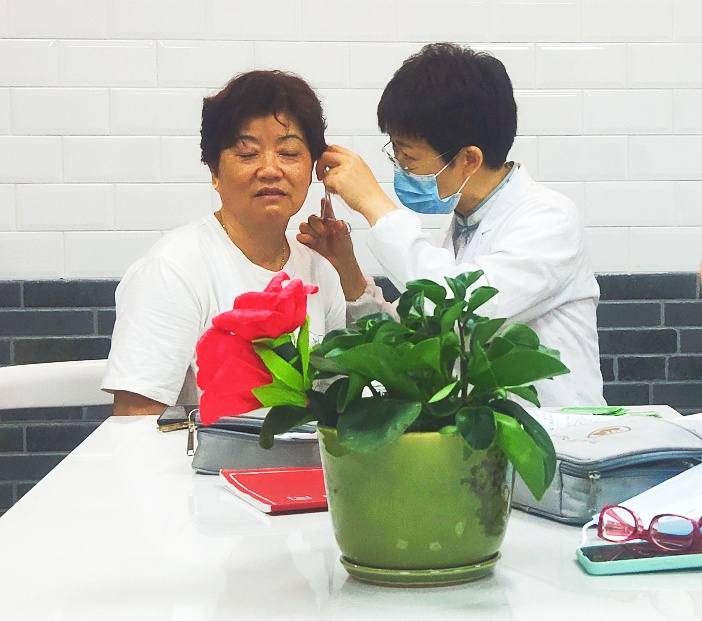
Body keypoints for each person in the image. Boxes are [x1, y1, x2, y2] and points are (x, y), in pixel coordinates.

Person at [299, 43, 605, 407]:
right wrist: (348, 271)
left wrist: (373, 203)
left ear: (469, 160)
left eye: (408, 157)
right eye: (395, 153)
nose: (400, 168)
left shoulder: (549, 220)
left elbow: (462, 313)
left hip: (558, 434)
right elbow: (415, 341)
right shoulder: (461, 225)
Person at [102, 70, 346, 416]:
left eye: (289, 152)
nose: (270, 169)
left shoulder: (321, 272)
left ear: (313, 171)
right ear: (214, 172)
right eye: (247, 154)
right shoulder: (171, 270)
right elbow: (134, 422)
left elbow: (335, 411)